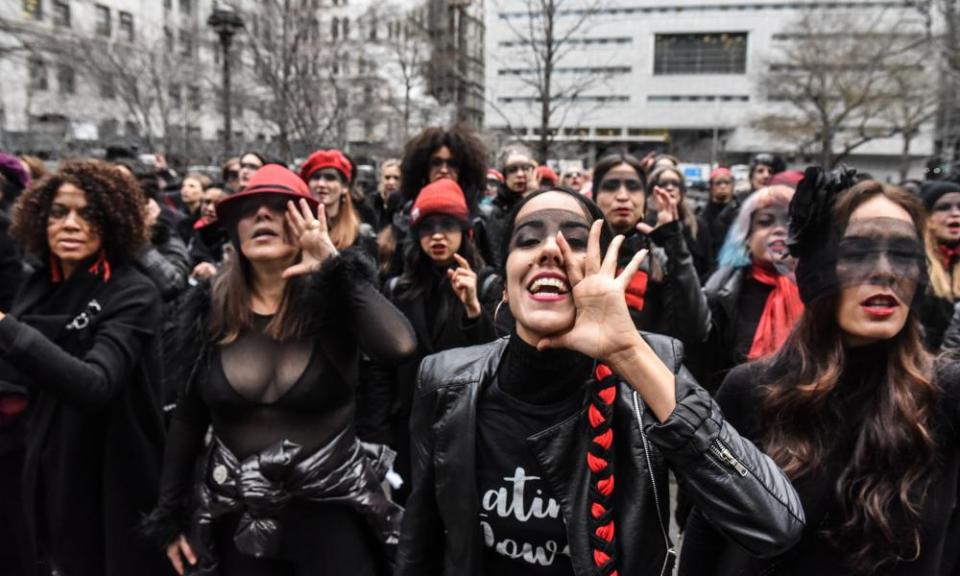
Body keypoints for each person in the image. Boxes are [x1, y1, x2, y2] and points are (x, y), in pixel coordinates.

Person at [395, 186, 804, 576]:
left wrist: (628, 352)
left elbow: (774, 524)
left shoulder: (651, 367)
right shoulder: (444, 382)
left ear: (605, 271)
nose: (550, 251)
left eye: (574, 241)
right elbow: (420, 545)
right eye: (527, 240)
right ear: (504, 281)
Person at [679, 170, 960, 576]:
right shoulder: (751, 389)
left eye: (902, 253)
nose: (884, 271)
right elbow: (705, 537)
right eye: (857, 252)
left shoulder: (945, 394)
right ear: (815, 270)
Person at [146, 165, 417, 575]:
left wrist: (333, 265)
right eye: (250, 210)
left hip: (333, 526)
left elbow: (400, 346)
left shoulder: (334, 304)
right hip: (239, 523)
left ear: (308, 223)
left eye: (279, 208)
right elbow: (186, 421)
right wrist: (170, 518)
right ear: (235, 229)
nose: (263, 216)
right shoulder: (207, 308)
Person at [0, 160, 168, 576]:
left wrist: (6, 328)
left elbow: (94, 385)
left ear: (113, 221)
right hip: (46, 469)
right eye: (59, 212)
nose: (71, 224)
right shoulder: (37, 286)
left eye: (88, 213)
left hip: (114, 477)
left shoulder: (135, 292)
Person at [369, 179, 498, 503]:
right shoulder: (398, 288)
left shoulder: (487, 285)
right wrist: (379, 436)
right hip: (409, 433)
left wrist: (473, 310)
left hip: (468, 432)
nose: (438, 235)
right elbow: (382, 368)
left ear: (465, 230)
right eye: (428, 227)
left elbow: (497, 362)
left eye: (447, 225)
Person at [591, 152, 710, 347]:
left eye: (633, 187)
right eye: (611, 186)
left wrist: (674, 242)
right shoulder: (578, 255)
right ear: (595, 196)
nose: (622, 196)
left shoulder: (660, 259)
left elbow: (698, 328)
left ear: (645, 200)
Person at [693, 185, 802, 392]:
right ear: (746, 236)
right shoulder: (721, 294)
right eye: (765, 222)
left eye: (789, 221)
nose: (779, 229)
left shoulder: (816, 292)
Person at [299, 148, 378, 261]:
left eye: (330, 178)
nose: (321, 184)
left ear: (345, 187)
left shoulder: (362, 235)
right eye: (316, 177)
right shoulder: (295, 230)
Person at [478, 144, 540, 268]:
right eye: (513, 169)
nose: (520, 174)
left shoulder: (541, 203)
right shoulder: (493, 212)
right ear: (504, 175)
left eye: (525, 168)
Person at [647, 165, 713, 279]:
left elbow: (708, 266)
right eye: (663, 183)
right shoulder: (644, 222)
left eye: (675, 183)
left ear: (682, 190)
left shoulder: (698, 224)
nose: (669, 188)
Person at [917, 180, 960, 351]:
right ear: (927, 218)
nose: (955, 213)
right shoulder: (914, 263)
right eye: (943, 207)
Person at [698, 167, 736, 272]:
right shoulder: (702, 214)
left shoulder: (739, 211)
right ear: (711, 186)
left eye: (727, 183)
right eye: (718, 183)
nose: (723, 186)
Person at [366, 158, 401, 231]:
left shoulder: (406, 205)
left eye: (396, 178)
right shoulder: (372, 202)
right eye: (387, 178)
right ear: (381, 179)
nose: (391, 182)